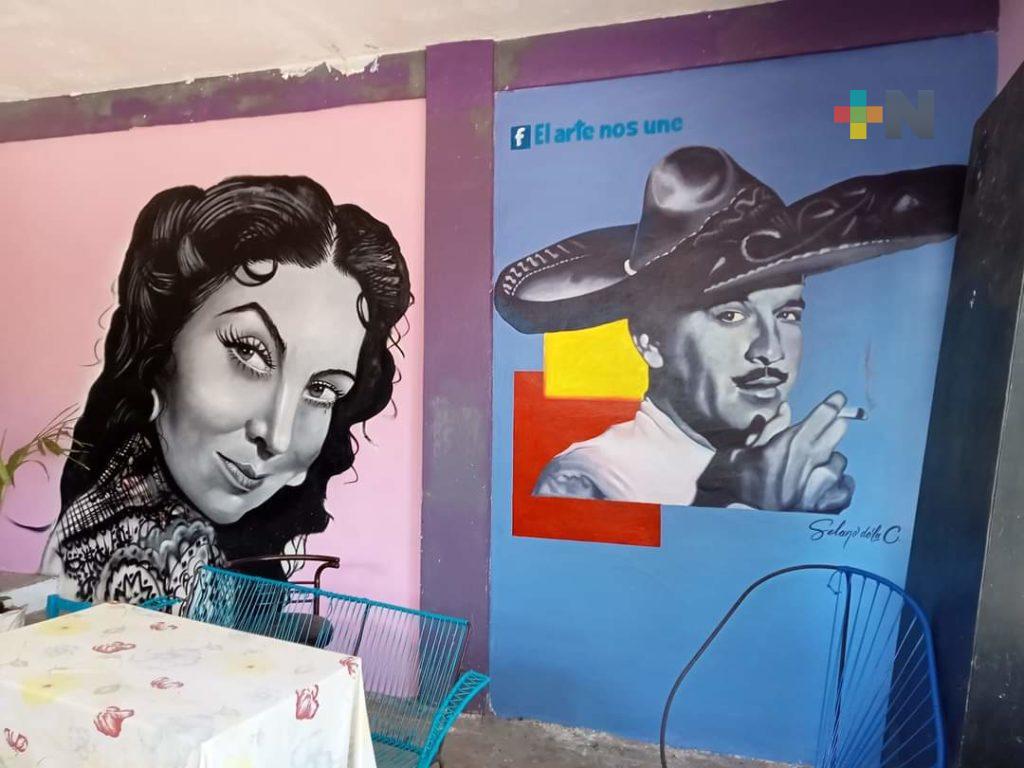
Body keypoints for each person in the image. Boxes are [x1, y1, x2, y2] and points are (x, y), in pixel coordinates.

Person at [493, 146, 965, 512]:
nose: (769, 350)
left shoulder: (812, 472)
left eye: (787, 314)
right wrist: (751, 504)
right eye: (731, 315)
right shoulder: (587, 483)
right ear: (649, 341)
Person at [40, 176, 411, 603]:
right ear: (160, 353)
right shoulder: (134, 550)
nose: (278, 436)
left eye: (323, 389)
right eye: (249, 352)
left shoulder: (197, 540)